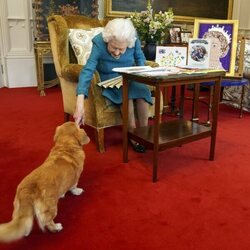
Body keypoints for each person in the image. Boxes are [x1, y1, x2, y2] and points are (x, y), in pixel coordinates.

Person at [73, 18, 153, 153]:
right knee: (126, 95)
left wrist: (142, 77)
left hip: (130, 76)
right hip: (110, 78)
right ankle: (132, 134)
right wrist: (80, 100)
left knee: (142, 91)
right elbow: (88, 69)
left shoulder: (133, 39)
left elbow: (140, 59)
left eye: (121, 49)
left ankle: (143, 133)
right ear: (107, 40)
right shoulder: (99, 41)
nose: (117, 53)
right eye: (113, 47)